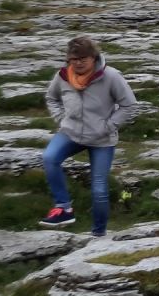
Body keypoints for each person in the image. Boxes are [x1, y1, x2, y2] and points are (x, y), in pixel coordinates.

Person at [40, 36, 139, 235]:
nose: (78, 63)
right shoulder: (63, 76)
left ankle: (98, 234)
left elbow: (129, 105)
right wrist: (61, 119)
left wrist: (108, 126)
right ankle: (64, 208)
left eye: (83, 59)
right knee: (49, 158)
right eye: (73, 59)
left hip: (102, 139)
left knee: (99, 189)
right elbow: (51, 98)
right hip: (71, 133)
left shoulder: (111, 76)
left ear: (93, 57)